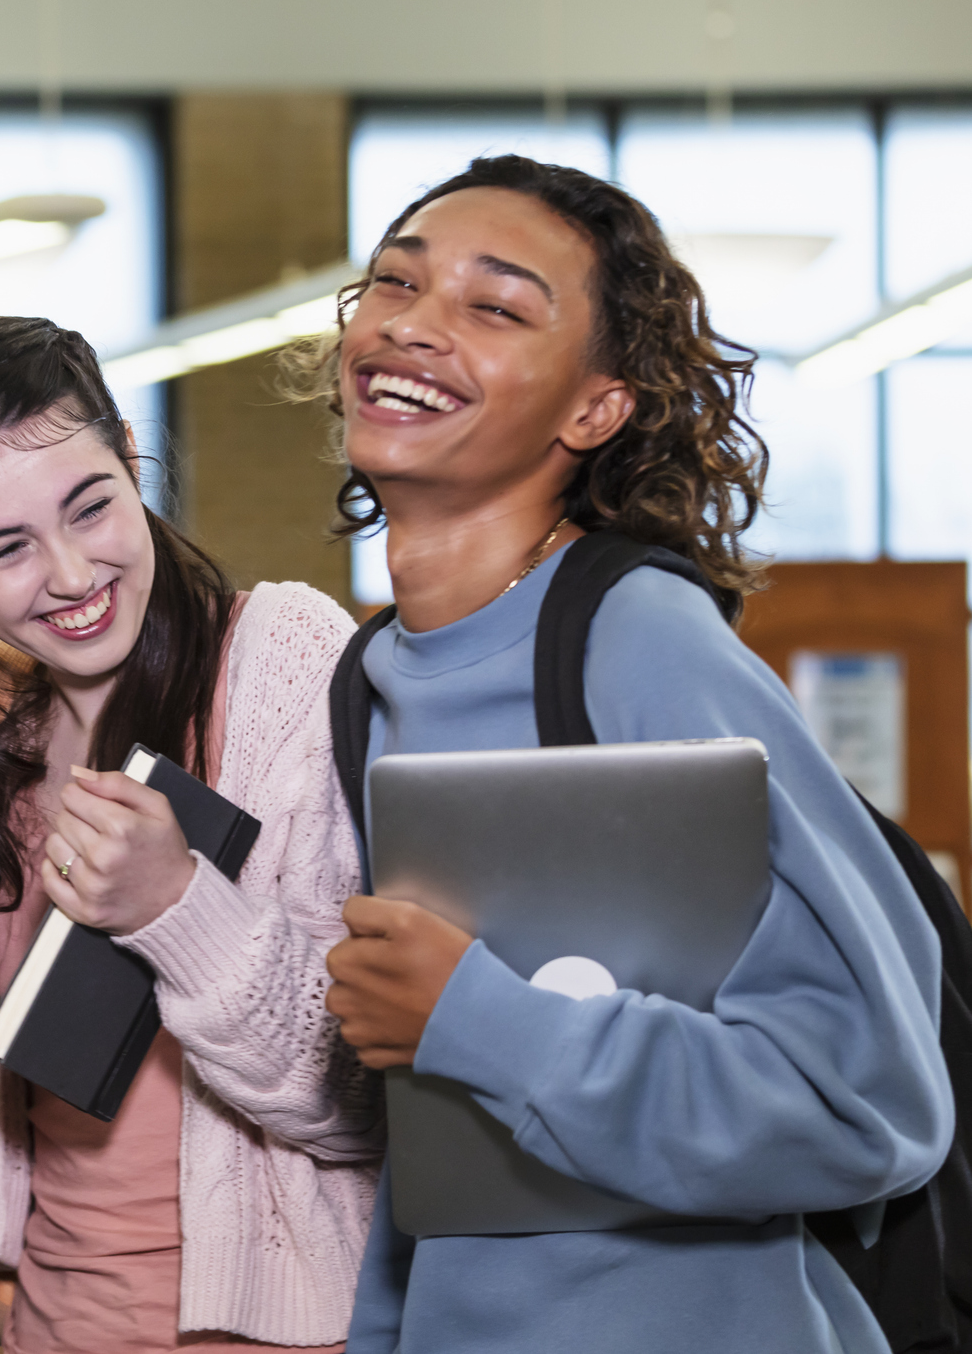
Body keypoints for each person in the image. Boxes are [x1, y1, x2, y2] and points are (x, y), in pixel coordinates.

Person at [315, 155, 953, 1353]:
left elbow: (862, 1102)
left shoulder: (631, 637)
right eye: (391, 284)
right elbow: (430, 1152)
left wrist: (476, 1018)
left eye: (493, 306)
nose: (410, 324)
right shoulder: (370, 678)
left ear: (592, 409)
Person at [0, 315, 384, 1352]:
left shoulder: (281, 660)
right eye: (1, 548)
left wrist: (178, 906)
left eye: (90, 505)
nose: (67, 574)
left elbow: (352, 1098)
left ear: (131, 458)